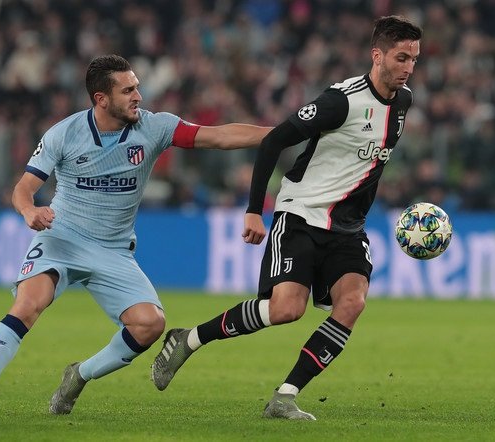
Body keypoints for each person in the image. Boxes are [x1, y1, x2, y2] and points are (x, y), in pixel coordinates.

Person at [0, 54, 271, 420]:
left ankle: (79, 375)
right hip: (62, 238)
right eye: (128, 90)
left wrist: (281, 133)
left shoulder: (154, 128)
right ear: (101, 99)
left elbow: (218, 137)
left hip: (113, 249)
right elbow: (23, 189)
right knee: (28, 306)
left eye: (137, 87)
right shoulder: (64, 133)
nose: (138, 95)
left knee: (150, 324)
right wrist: (30, 211)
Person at [151, 15, 422, 420]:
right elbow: (276, 140)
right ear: (377, 55)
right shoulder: (341, 100)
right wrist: (253, 210)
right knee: (285, 310)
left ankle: (286, 396)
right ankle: (189, 339)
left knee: (352, 302)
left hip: (347, 227)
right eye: (401, 58)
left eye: (414, 59)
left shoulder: (403, 102)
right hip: (301, 213)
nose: (408, 68)